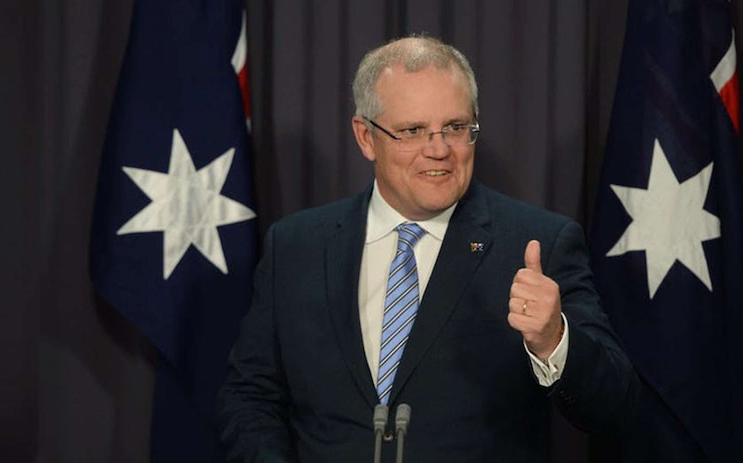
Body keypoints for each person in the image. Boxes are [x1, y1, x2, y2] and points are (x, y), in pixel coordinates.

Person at [217, 36, 639, 462]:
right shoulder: (296, 245)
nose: (438, 150)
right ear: (366, 137)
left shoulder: (537, 243)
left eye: (456, 128)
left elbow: (615, 405)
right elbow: (250, 395)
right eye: (412, 131)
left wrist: (554, 340)